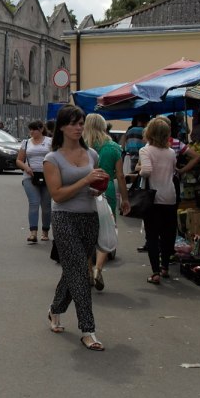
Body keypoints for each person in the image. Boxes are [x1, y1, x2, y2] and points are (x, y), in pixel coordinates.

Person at [43, 105, 109, 352]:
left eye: (81, 123)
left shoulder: (92, 153)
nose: (78, 127)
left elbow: (93, 187)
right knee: (81, 271)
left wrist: (98, 186)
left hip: (89, 217)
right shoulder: (53, 158)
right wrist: (85, 180)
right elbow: (57, 195)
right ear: (61, 126)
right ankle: (88, 330)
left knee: (72, 270)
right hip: (64, 218)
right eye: (73, 123)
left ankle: (55, 310)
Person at [83, 113, 129, 291]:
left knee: (88, 231)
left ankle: (87, 269)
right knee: (106, 228)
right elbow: (120, 175)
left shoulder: (82, 146)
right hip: (107, 188)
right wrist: (125, 199)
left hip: (86, 190)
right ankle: (98, 269)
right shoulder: (112, 147)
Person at [137, 116, 178, 285]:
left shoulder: (146, 151)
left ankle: (155, 272)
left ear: (150, 133)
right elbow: (173, 171)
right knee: (168, 234)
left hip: (153, 198)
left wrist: (139, 170)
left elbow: (146, 171)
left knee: (152, 236)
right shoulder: (171, 152)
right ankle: (166, 267)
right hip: (170, 196)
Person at [15, 120, 53, 245]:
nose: (31, 132)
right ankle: (33, 233)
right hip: (30, 177)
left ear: (41, 129)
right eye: (30, 129)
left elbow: (56, 157)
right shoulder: (26, 143)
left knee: (46, 206)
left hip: (47, 176)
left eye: (34, 129)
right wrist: (26, 168)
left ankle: (45, 231)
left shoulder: (50, 141)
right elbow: (19, 160)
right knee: (34, 203)